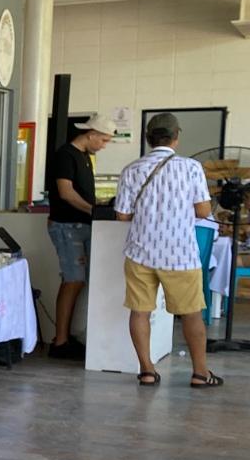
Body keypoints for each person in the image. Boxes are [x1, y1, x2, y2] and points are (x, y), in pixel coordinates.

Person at [113, 112, 221, 387]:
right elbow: (203, 210)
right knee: (192, 313)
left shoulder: (131, 169)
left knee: (140, 312)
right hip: (180, 254)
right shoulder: (191, 167)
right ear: (176, 137)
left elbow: (123, 215)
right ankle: (199, 373)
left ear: (149, 139)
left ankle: (147, 371)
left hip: (140, 252)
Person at [44, 113, 115, 358]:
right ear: (91, 134)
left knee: (78, 280)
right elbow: (66, 193)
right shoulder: (65, 155)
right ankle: (60, 341)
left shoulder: (85, 157)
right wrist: (94, 210)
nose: (104, 146)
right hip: (67, 226)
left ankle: (66, 337)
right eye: (103, 140)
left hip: (80, 224)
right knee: (72, 280)